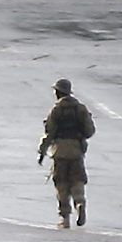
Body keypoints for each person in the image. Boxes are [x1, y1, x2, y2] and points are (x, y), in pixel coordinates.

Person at [38, 78, 96, 229]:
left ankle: (65, 218)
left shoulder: (56, 110)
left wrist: (42, 151)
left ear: (58, 92)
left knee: (61, 183)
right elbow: (90, 130)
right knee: (77, 180)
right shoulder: (80, 109)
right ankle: (79, 203)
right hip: (76, 150)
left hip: (60, 151)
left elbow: (49, 133)